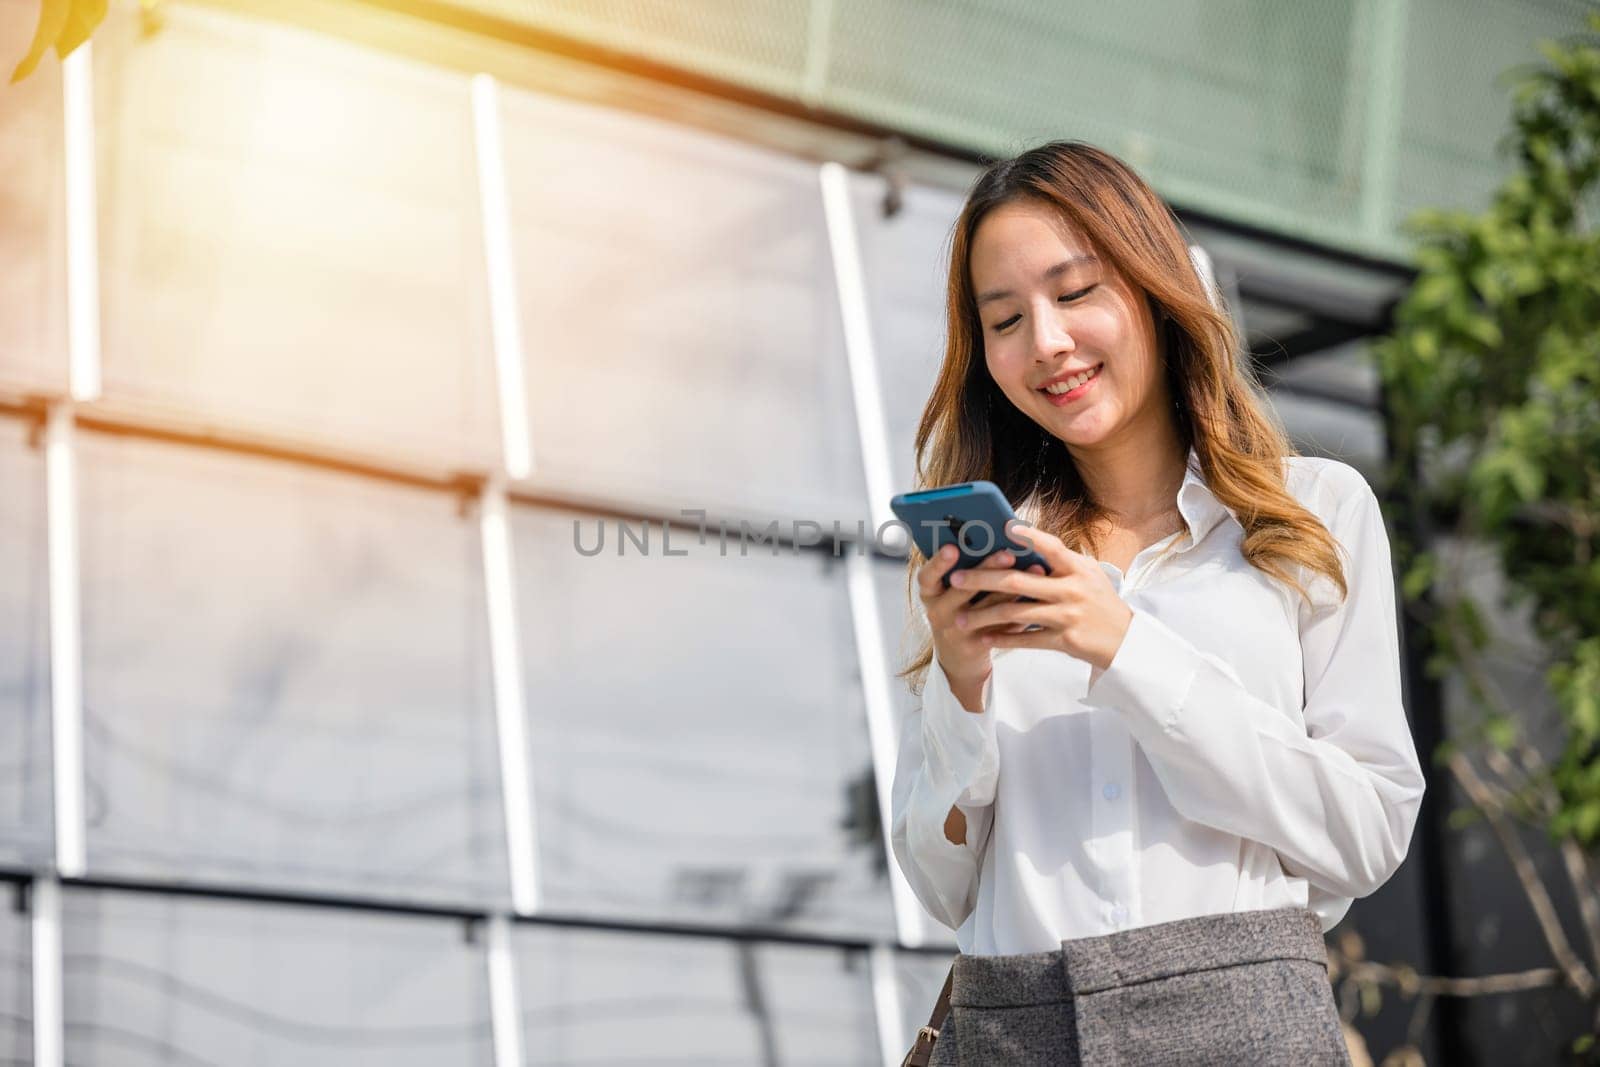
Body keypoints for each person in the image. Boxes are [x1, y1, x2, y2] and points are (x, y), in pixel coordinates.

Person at [887, 140, 1425, 1065]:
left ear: (1151, 287)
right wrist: (963, 685)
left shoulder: (1315, 513)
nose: (1046, 342)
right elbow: (942, 885)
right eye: (1005, 318)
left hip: (1243, 1014)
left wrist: (1126, 649)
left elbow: (1365, 832)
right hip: (1011, 1024)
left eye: (1076, 292)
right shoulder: (988, 557)